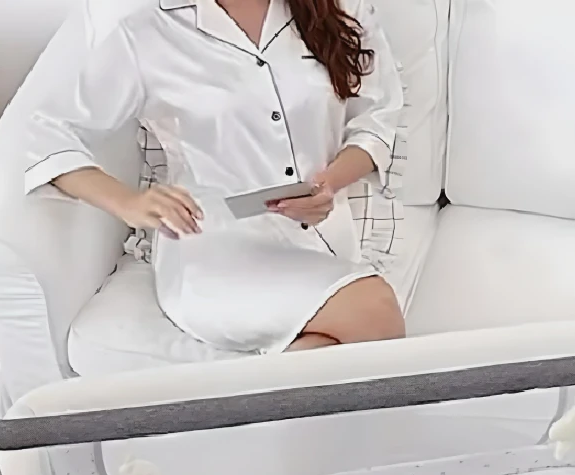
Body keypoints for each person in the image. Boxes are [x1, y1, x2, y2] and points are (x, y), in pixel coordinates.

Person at [24, 0, 406, 353]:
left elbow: (377, 119)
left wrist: (329, 184)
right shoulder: (148, 33)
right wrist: (128, 203)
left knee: (329, 352)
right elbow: (48, 133)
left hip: (325, 238)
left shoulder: (341, 9)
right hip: (215, 246)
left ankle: (255, 401)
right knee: (374, 309)